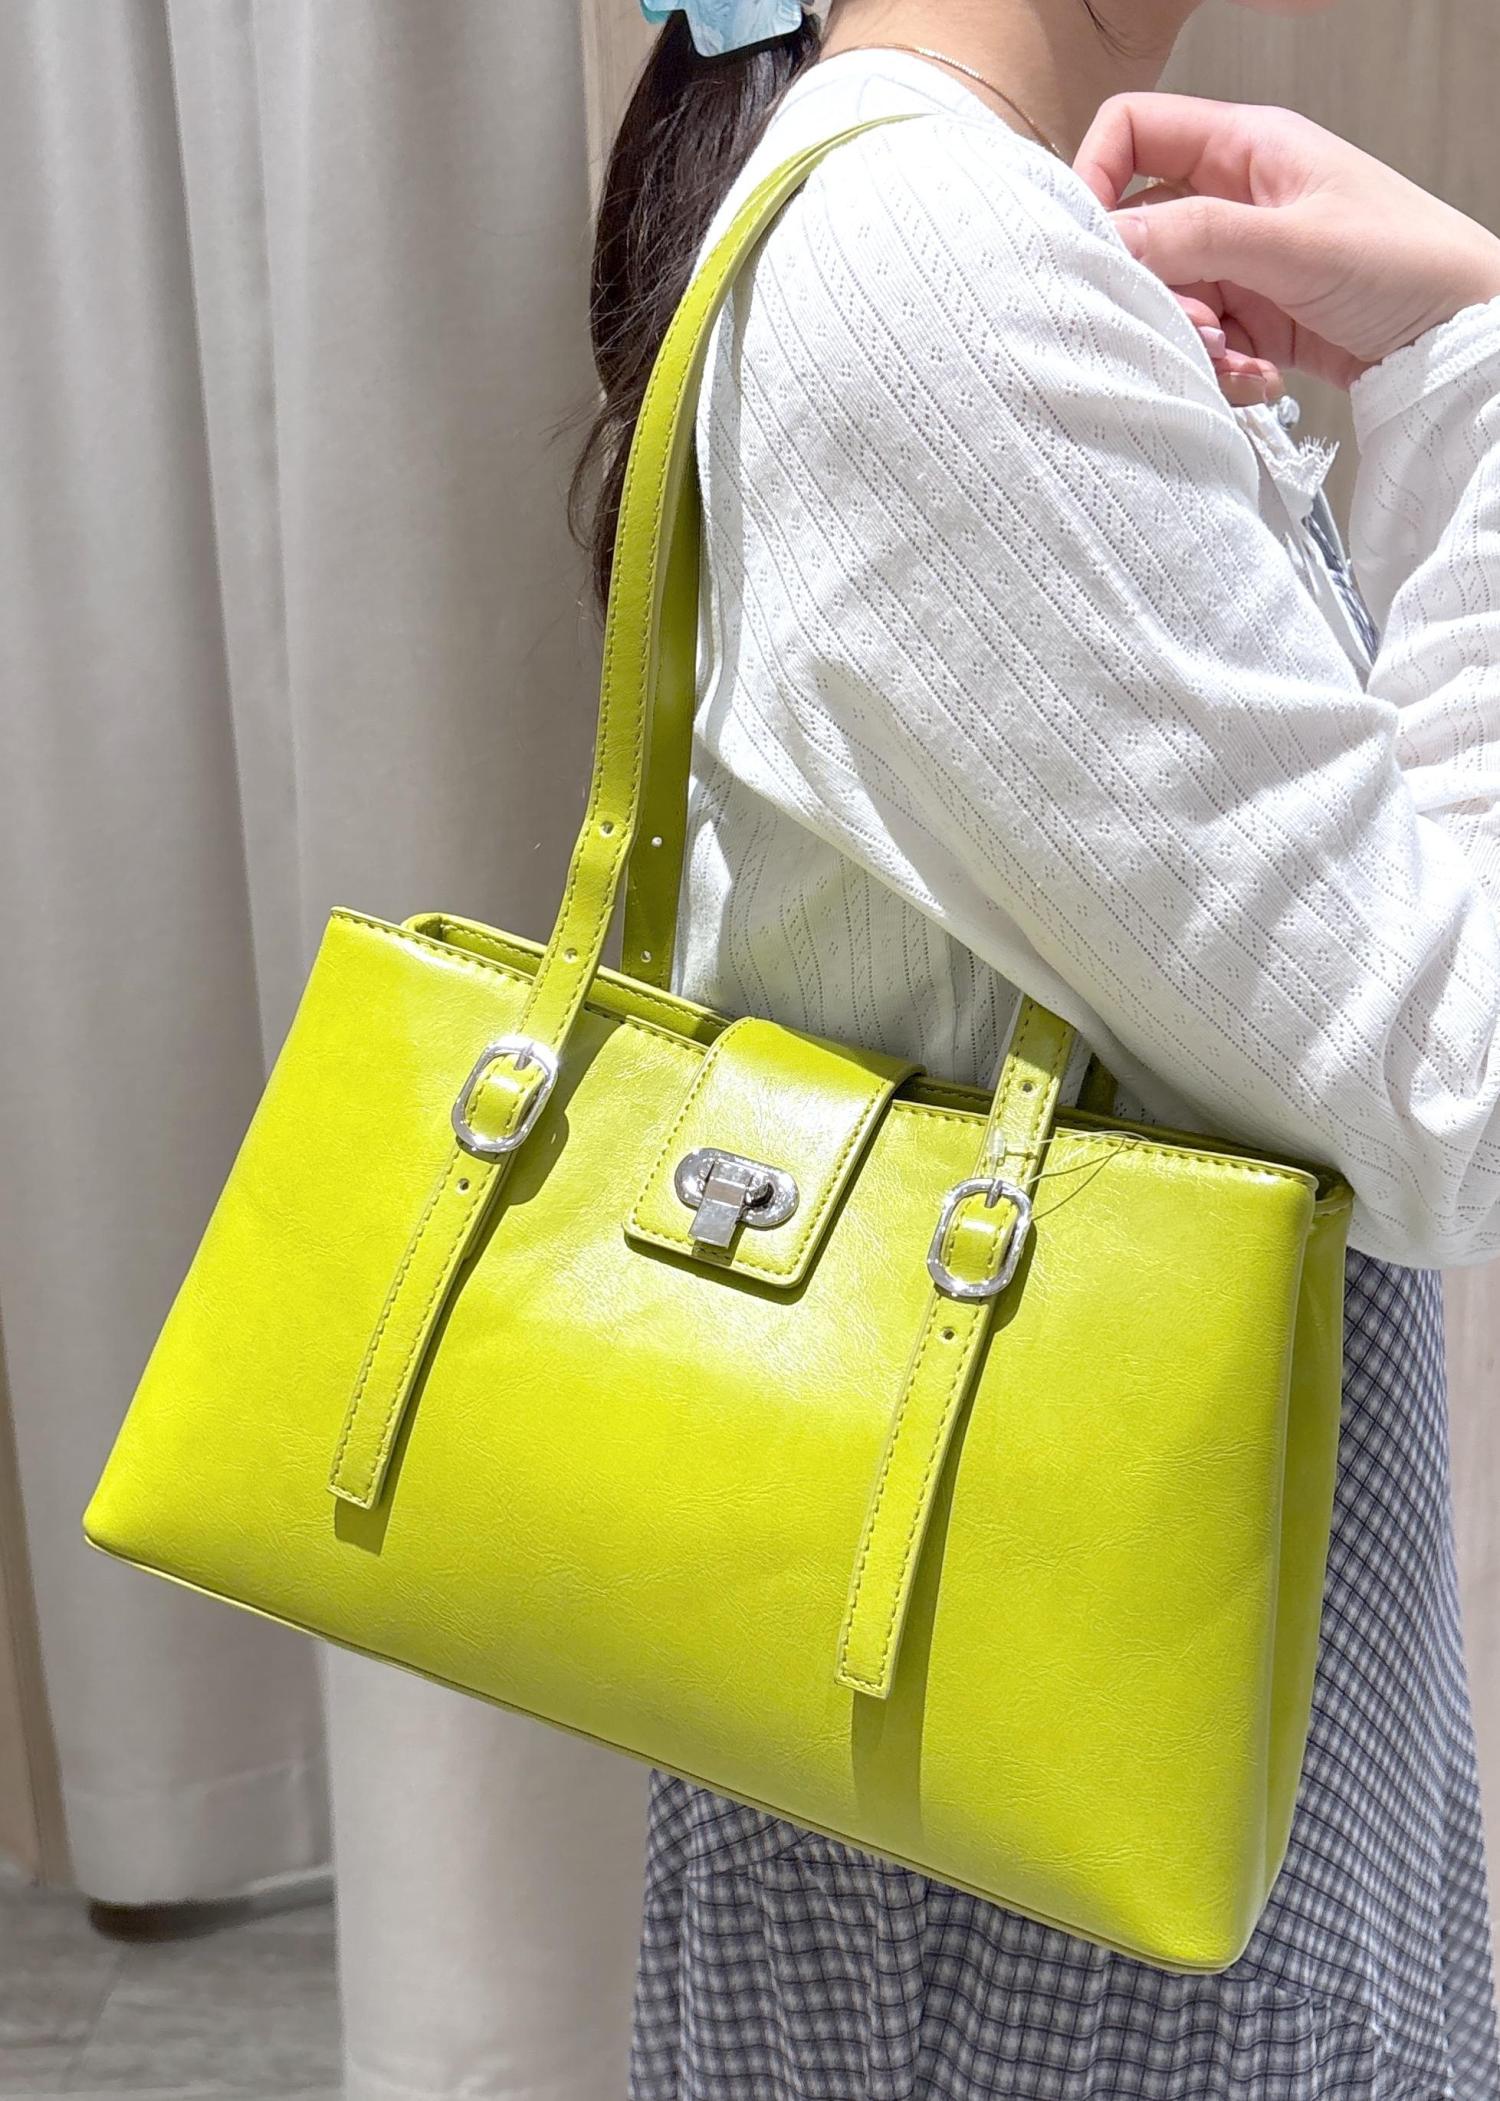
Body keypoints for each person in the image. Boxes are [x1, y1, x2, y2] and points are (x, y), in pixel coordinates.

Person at [573, 2, 1500, 2093]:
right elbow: (1453, 1086)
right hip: (1059, 1881)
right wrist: (1473, 380)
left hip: (1062, 1785)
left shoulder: (947, 228)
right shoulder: (931, 258)